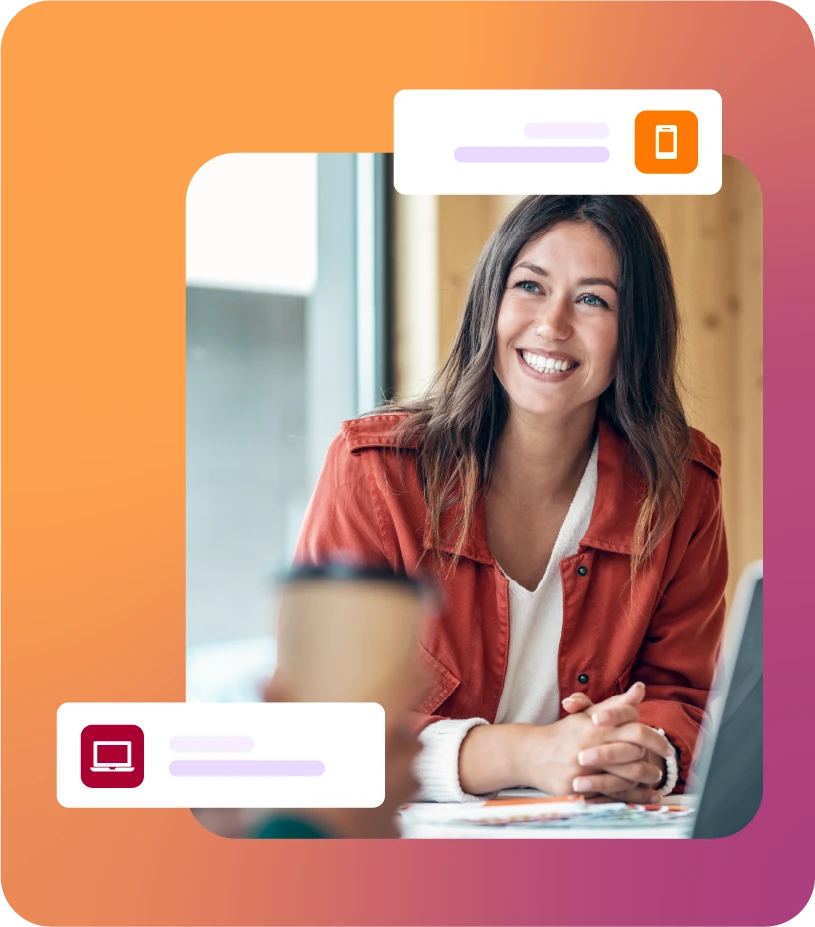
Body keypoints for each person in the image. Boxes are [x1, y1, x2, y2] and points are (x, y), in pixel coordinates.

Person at [293, 194, 728, 805]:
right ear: (489, 303)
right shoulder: (374, 471)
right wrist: (525, 753)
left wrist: (641, 756)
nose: (553, 324)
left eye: (593, 299)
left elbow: (685, 701)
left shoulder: (679, 489)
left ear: (635, 332)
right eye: (530, 286)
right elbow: (319, 732)